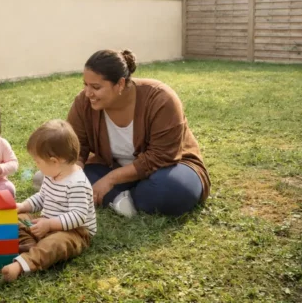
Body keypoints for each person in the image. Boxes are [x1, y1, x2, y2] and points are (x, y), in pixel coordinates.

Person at [68, 49, 210, 217]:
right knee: (76, 177)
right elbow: (76, 145)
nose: (88, 93)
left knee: (173, 190)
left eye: (96, 87)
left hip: (168, 168)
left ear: (120, 84)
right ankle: (125, 199)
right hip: (112, 166)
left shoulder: (161, 99)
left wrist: (111, 180)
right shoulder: (83, 102)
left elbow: (162, 156)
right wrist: (74, 171)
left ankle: (115, 196)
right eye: (85, 84)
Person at [0, 119, 96, 282]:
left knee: (55, 244)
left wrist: (50, 224)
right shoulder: (52, 175)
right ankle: (30, 245)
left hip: (75, 232)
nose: (36, 165)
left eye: (38, 161)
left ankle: (22, 264)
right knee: (19, 218)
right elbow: (42, 197)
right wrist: (22, 206)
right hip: (45, 223)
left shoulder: (77, 183)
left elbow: (79, 216)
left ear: (54, 161)